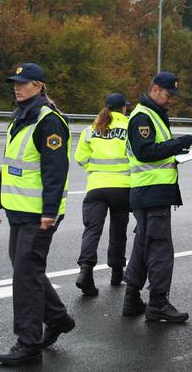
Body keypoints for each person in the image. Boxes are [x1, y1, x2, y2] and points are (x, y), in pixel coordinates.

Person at [0, 63, 75, 366]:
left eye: (23, 83)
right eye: (15, 82)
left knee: (25, 273)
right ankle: (58, 318)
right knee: (26, 270)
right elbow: (10, 165)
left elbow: (55, 172)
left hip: (39, 214)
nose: (17, 86)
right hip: (19, 211)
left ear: (38, 86)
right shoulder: (20, 118)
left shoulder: (48, 122)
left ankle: (29, 344)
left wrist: (49, 212)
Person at [123, 71, 192, 323]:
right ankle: (158, 303)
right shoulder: (143, 115)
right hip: (151, 193)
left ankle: (132, 298)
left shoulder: (152, 114)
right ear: (155, 90)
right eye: (168, 94)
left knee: (144, 245)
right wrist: (178, 144)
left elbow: (154, 151)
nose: (170, 100)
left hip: (149, 192)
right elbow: (145, 152)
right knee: (160, 249)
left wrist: (176, 150)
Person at [74, 93, 132, 296]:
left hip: (96, 187)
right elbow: (136, 156)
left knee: (91, 230)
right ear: (123, 109)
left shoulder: (91, 129)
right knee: (118, 231)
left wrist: (96, 169)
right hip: (122, 187)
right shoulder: (129, 128)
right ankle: (117, 274)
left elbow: (80, 157)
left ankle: (85, 272)